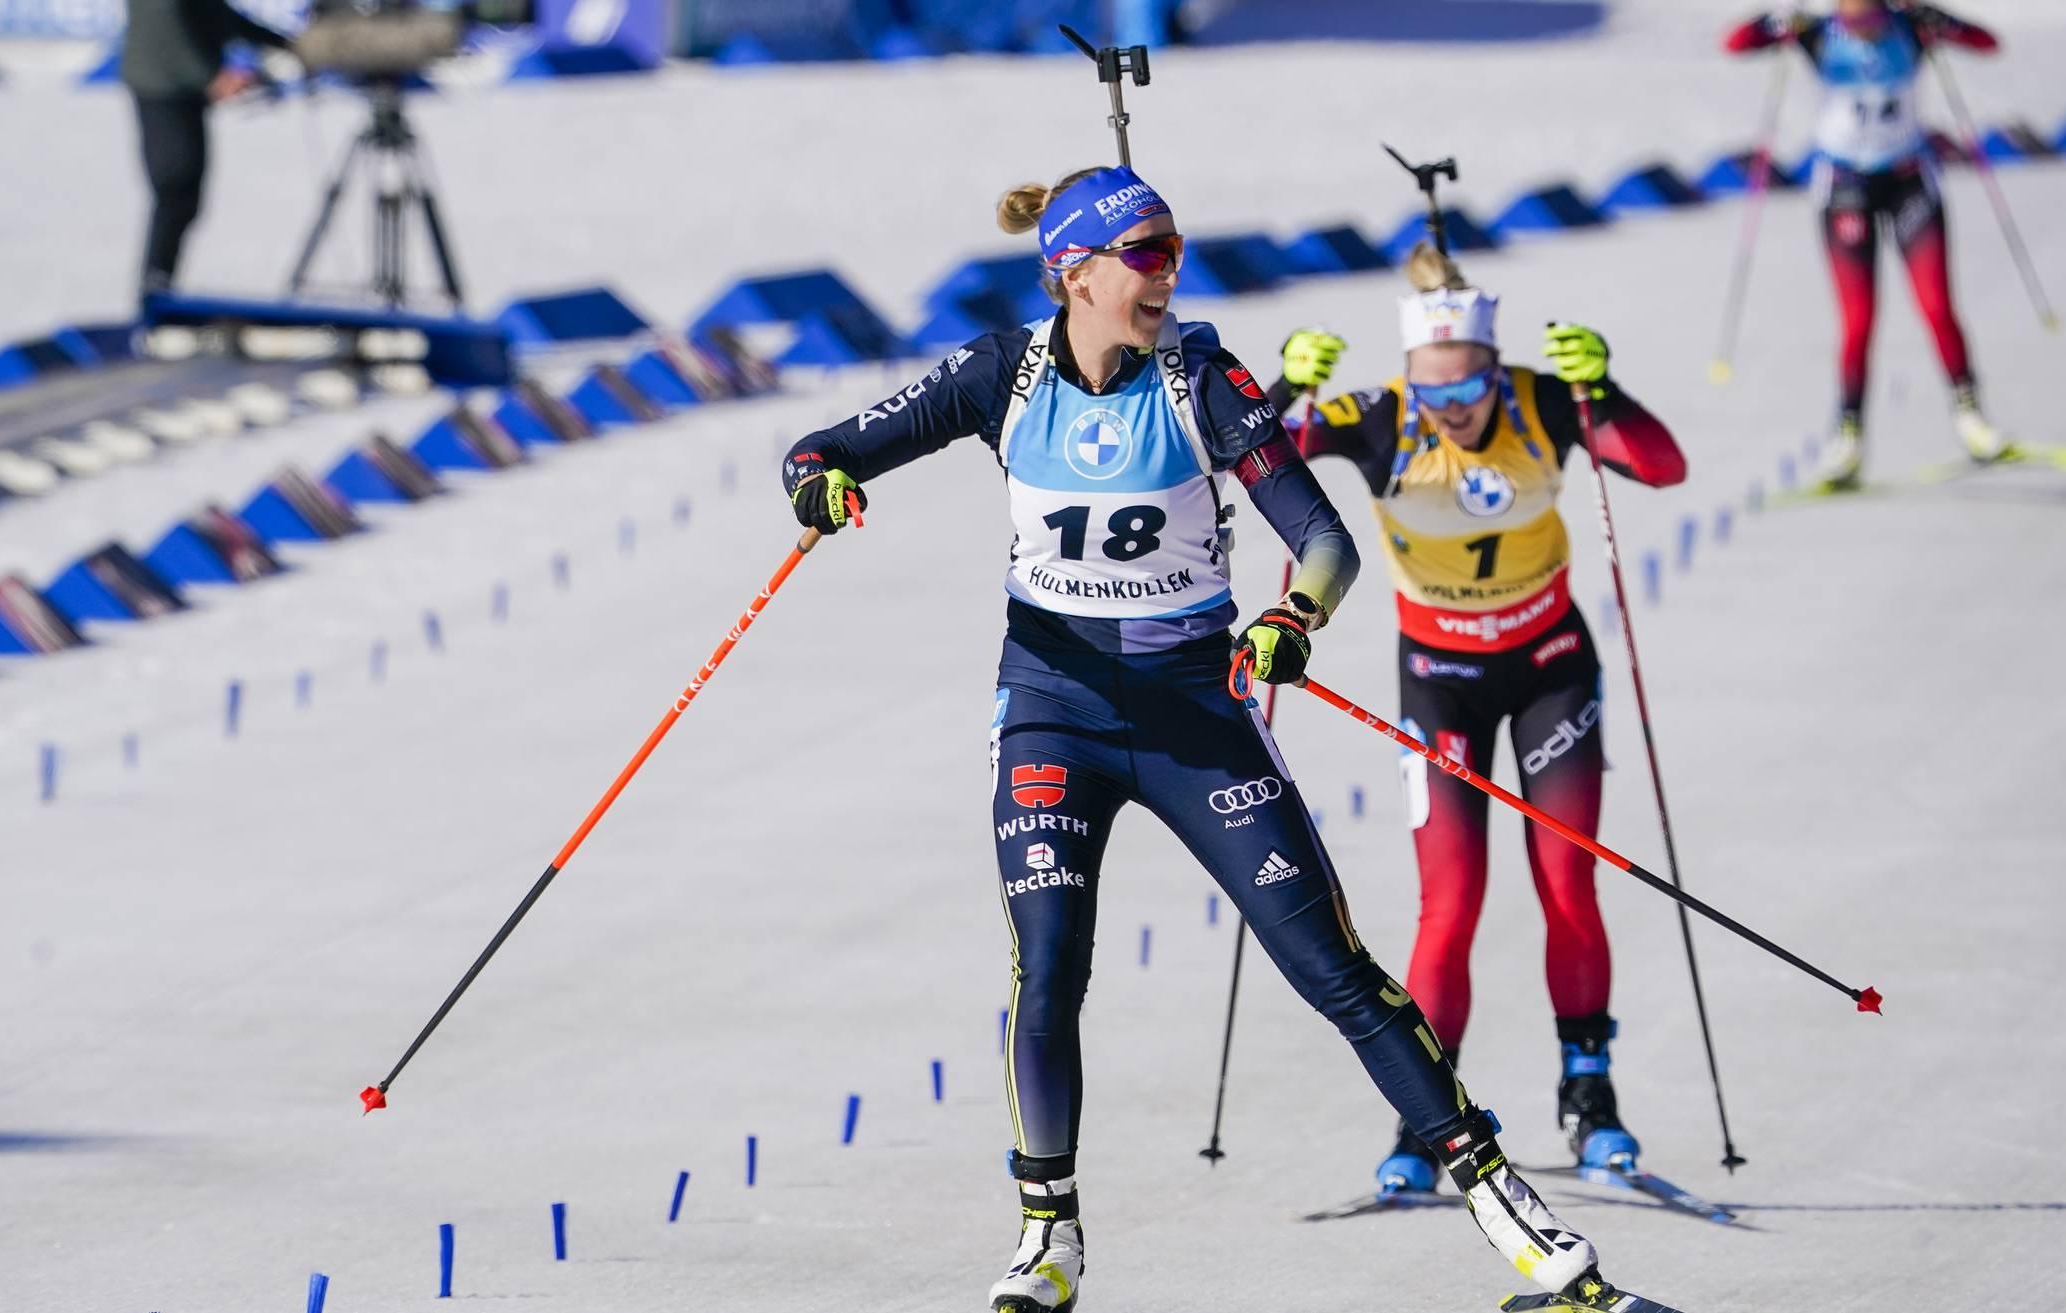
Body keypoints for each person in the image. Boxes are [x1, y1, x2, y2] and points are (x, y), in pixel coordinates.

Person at [781, 166, 1674, 1312]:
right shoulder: (1001, 373)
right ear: (1077, 272)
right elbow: (825, 447)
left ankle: (1527, 1231)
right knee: (1046, 968)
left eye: (1174, 249)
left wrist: (1292, 617)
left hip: (1198, 715)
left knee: (1335, 972)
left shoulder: (1201, 373)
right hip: (1053, 707)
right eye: (1145, 254)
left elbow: (1324, 539)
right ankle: (1046, 1238)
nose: (1168, 272)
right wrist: (819, 484)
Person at [1263, 244, 1688, 1197]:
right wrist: (1283, 389)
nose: (1453, 411)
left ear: (1495, 369)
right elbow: (1249, 460)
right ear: (1409, 376)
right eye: (1435, 393)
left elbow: (1663, 465)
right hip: (1440, 681)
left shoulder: (1540, 400)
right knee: (1449, 906)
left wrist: (1605, 390)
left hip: (1548, 669)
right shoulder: (1375, 416)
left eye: (1469, 391)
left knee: (1568, 883)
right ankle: (1425, 1113)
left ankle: (1591, 1095)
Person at [1724, 0, 2007, 489]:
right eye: (1852, 17)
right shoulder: (1817, 34)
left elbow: (1987, 45)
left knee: (1937, 306)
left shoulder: (1912, 27)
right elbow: (1735, 44)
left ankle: (1971, 416)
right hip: (1844, 186)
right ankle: (1848, 437)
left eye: (1871, 17)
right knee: (1858, 321)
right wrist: (1773, 23)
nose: (1863, 28)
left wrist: (1947, 23)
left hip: (1909, 180)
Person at [121, 0, 293, 297]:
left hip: (181, 89)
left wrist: (286, 44)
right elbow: (162, 17)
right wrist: (211, 76)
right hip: (162, 87)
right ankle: (154, 288)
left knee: (186, 197)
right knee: (175, 186)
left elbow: (212, 11)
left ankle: (161, 286)